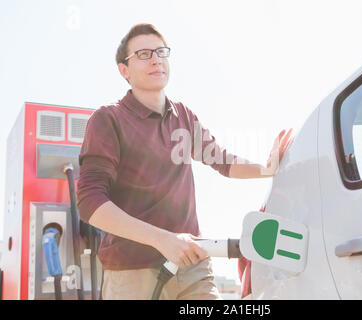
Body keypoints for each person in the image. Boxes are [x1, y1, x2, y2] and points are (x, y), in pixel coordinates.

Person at [76, 23, 293, 300]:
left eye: (160, 52)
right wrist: (162, 239)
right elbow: (89, 202)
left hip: (192, 263)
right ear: (124, 70)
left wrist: (268, 168)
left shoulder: (183, 116)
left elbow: (222, 160)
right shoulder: (108, 119)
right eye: (143, 54)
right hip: (132, 271)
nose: (155, 59)